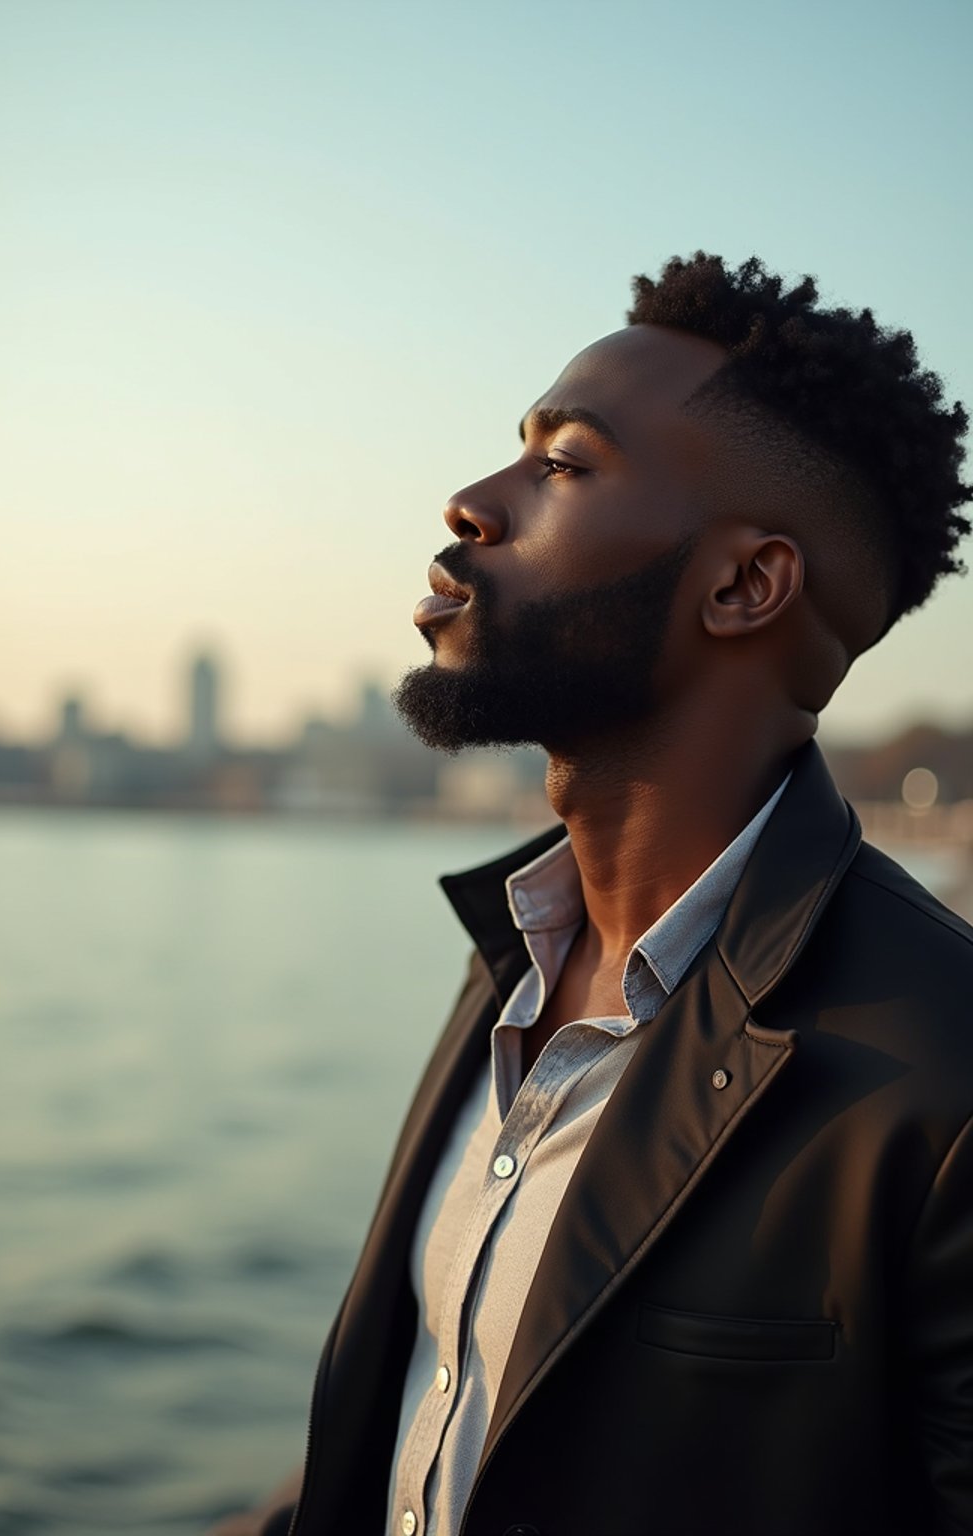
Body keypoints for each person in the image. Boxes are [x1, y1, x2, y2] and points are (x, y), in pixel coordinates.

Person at [217, 253, 973, 1536]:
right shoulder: (509, 960)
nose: (468, 501)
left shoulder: (942, 1074)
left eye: (561, 464)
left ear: (744, 586)